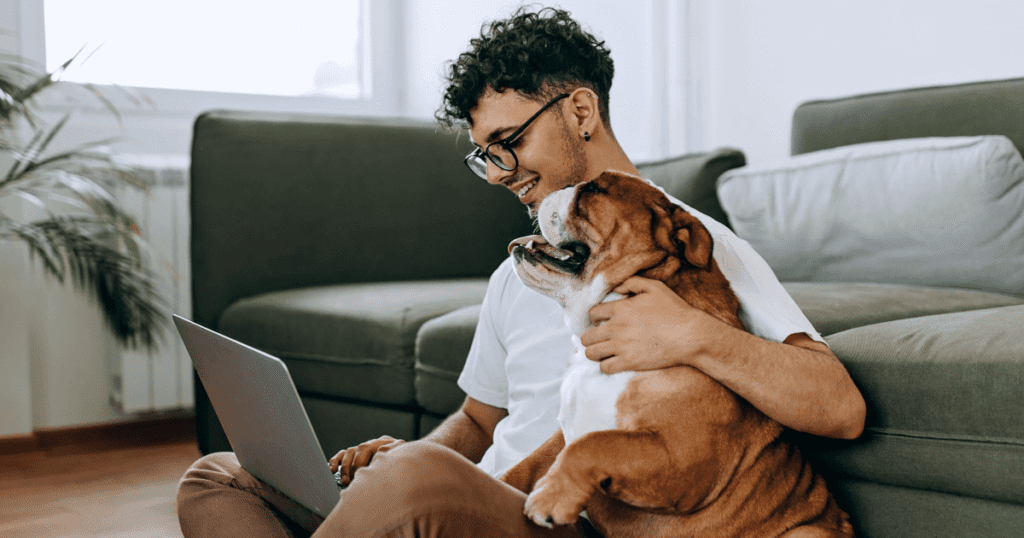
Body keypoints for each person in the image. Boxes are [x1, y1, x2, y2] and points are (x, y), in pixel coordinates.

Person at [176, 7, 865, 538]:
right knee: (218, 478)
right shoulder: (523, 269)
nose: (502, 175)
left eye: (509, 143)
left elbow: (839, 406)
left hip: (572, 518)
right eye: (485, 156)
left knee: (415, 482)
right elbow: (479, 421)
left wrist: (692, 336)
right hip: (476, 499)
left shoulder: (691, 246)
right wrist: (407, 460)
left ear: (581, 112)